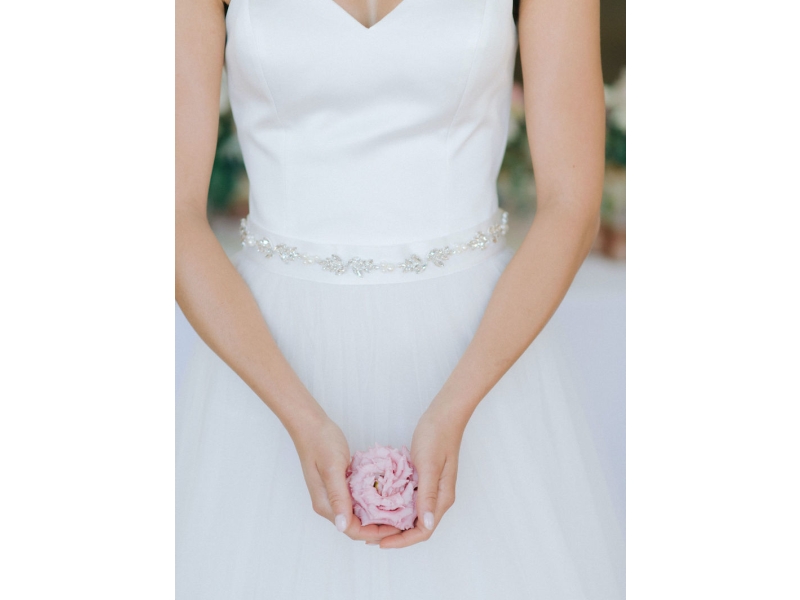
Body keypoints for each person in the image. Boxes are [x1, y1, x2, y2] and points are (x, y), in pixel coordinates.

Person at [176, 0, 624, 597]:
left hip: (479, 353)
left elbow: (571, 204)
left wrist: (455, 406)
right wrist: (300, 418)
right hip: (269, 361)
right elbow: (170, 214)